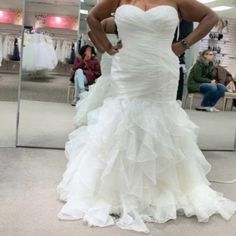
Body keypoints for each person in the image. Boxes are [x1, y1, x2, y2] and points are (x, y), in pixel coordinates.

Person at [57, 0, 236, 233]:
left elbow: (210, 17)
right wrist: (106, 48)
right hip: (128, 65)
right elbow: (93, 18)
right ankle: (116, 189)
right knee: (122, 118)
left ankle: (159, 188)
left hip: (160, 67)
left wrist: (183, 45)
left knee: (158, 119)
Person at [74, 17, 121, 126]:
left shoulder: (105, 21)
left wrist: (105, 48)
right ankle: (112, 119)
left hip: (108, 55)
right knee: (113, 82)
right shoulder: (122, 20)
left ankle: (101, 118)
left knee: (106, 82)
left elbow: (92, 36)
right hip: (121, 54)